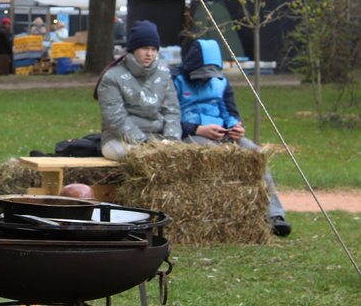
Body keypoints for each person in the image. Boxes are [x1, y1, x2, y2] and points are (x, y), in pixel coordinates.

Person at [172, 39, 291, 237]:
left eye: (209, 75)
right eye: (201, 75)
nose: (205, 79)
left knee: (256, 153)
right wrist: (198, 129)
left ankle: (274, 216)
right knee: (213, 154)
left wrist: (236, 127)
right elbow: (169, 118)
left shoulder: (221, 81)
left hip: (222, 132)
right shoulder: (174, 80)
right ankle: (220, 218)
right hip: (193, 134)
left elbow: (230, 111)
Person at [94, 20, 181, 160]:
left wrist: (171, 139)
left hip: (159, 138)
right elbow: (115, 118)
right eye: (144, 48)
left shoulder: (164, 74)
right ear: (133, 48)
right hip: (120, 139)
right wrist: (144, 143)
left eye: (153, 49)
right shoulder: (112, 76)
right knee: (141, 157)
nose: (149, 54)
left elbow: (172, 110)